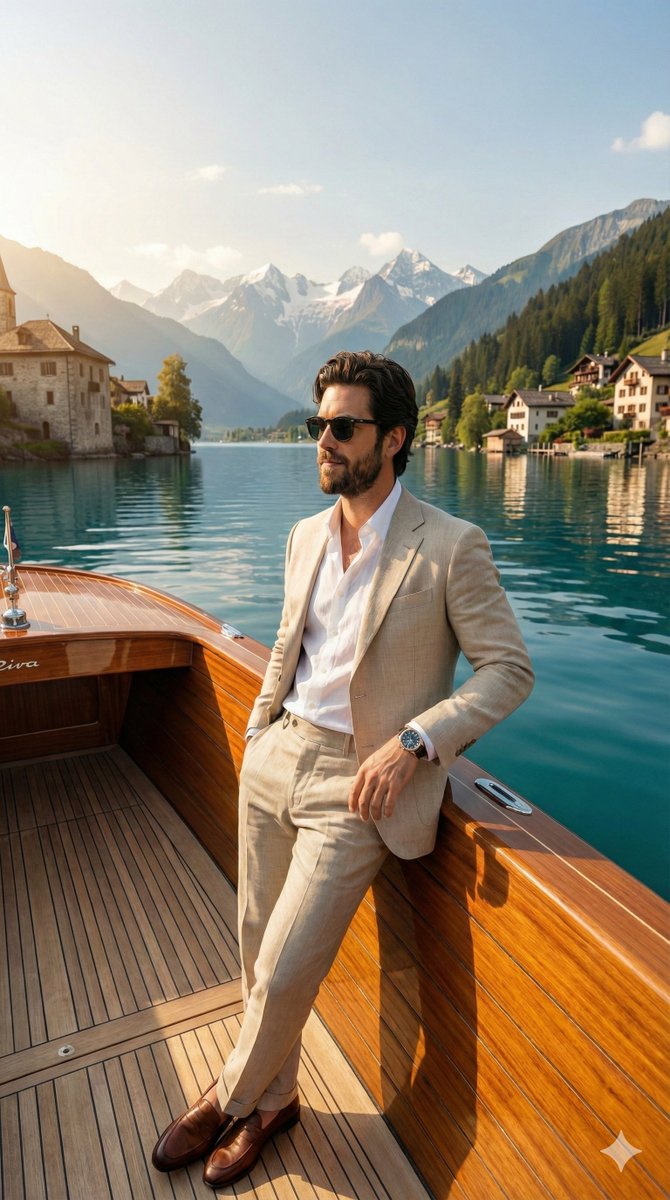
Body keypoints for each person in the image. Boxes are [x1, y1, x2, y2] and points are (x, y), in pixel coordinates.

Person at [152, 350, 534, 1188]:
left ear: (393, 439)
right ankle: (277, 1101)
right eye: (317, 424)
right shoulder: (303, 537)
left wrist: (416, 742)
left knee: (288, 964)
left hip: (359, 786)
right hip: (278, 755)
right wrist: (258, 734)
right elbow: (290, 649)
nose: (323, 441)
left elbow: (509, 670)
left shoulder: (451, 545)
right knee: (258, 945)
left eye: (343, 427)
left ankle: (223, 1098)